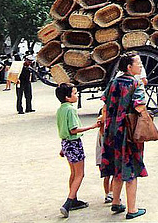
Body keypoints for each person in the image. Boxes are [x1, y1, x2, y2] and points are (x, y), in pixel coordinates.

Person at [100, 52, 148, 219]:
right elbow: (139, 106)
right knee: (131, 170)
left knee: (116, 166)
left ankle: (115, 202)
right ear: (129, 67)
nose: (140, 66)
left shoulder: (113, 82)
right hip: (128, 133)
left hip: (112, 131)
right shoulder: (136, 84)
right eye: (138, 63)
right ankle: (132, 210)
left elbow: (105, 103)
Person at [55, 83, 100, 217]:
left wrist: (63, 148)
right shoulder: (71, 110)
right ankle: (68, 203)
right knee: (80, 174)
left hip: (66, 143)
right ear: (68, 97)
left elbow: (63, 129)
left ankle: (73, 199)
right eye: (74, 93)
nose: (77, 95)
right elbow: (73, 130)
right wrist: (92, 127)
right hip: (74, 143)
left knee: (73, 173)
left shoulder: (61, 109)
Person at [95, 107, 113, 203]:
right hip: (106, 156)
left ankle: (108, 194)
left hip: (102, 157)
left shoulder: (103, 130)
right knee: (113, 175)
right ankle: (110, 193)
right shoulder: (106, 129)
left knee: (107, 177)